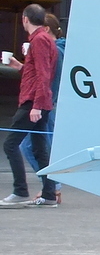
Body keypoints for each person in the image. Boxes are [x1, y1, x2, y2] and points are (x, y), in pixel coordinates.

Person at [2, 3, 60, 207]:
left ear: (25, 19)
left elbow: (44, 75)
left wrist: (36, 105)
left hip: (33, 102)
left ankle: (20, 190)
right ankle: (50, 194)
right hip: (40, 101)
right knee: (39, 149)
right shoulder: (42, 39)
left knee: (10, 144)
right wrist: (19, 66)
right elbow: (37, 72)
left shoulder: (39, 41)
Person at [19, 13, 66, 202]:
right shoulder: (58, 49)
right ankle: (52, 186)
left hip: (47, 105)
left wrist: (41, 104)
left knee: (30, 146)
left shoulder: (55, 50)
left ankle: (52, 185)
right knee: (41, 146)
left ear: (46, 30)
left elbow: (48, 78)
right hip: (49, 104)